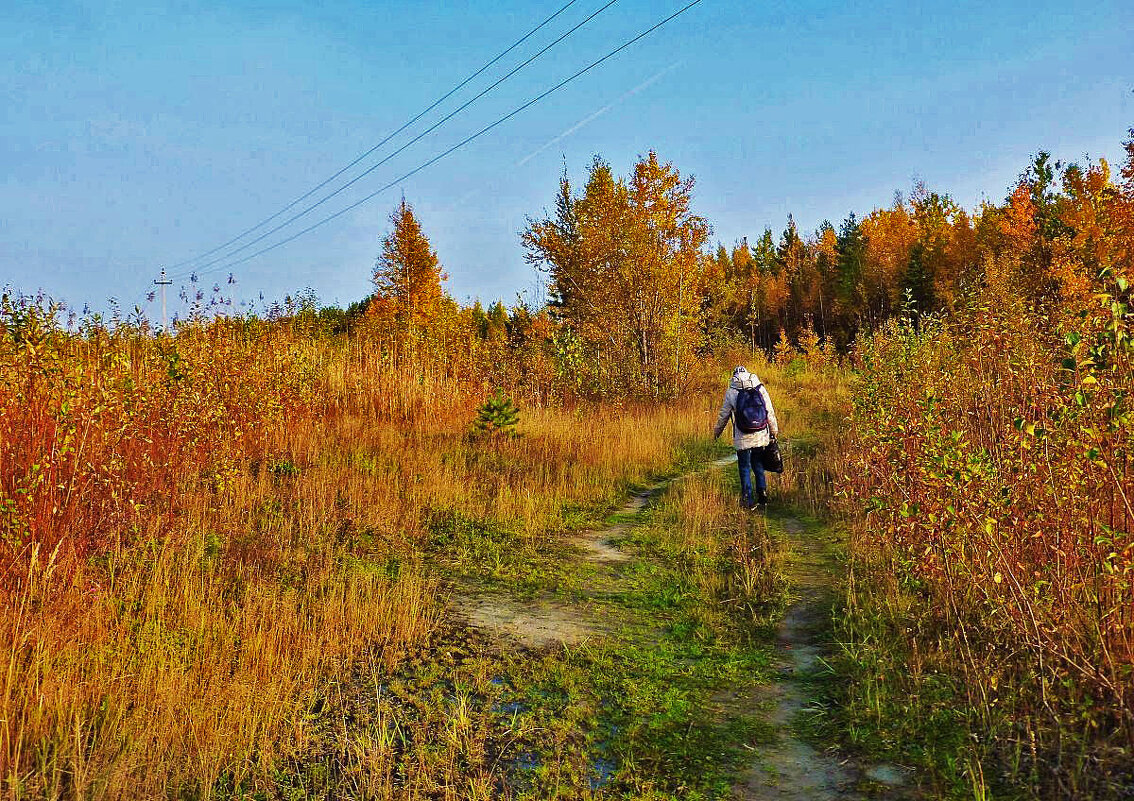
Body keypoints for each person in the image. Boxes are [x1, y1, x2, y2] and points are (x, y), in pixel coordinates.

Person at [712, 365, 780, 509]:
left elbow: (724, 415)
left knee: (744, 467)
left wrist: (716, 432)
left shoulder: (732, 391)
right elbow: (769, 411)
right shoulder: (759, 387)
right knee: (758, 464)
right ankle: (762, 494)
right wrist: (774, 431)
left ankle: (748, 500)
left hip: (742, 436)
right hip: (760, 434)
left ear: (734, 375)